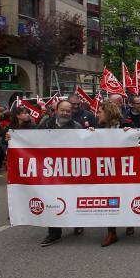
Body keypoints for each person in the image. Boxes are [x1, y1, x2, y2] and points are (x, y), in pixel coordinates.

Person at [38, 100, 84, 247]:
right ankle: (54, 232)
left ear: (72, 113)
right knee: (51, 200)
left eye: (68, 111)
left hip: (70, 170)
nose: (65, 113)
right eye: (62, 110)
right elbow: (30, 139)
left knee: (71, 198)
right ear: (56, 110)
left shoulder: (77, 127)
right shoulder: (45, 124)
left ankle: (77, 222)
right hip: (51, 170)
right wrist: (13, 139)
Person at [95, 101, 134, 247]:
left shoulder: (125, 125)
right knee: (109, 199)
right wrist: (89, 135)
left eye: (100, 112)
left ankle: (130, 221)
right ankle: (111, 232)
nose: (98, 115)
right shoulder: (99, 127)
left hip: (125, 169)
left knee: (125, 197)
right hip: (108, 170)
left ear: (108, 112)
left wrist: (131, 132)